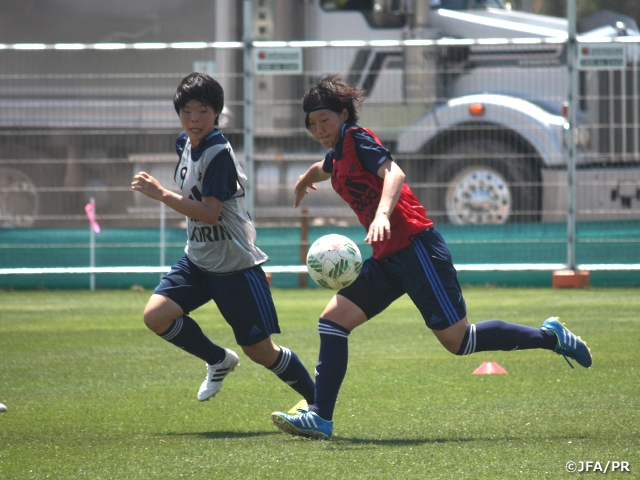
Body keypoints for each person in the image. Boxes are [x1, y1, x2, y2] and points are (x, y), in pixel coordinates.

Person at [270, 74, 592, 440]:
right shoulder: (337, 152)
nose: (318, 128)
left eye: (324, 120)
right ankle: (320, 418)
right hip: (387, 257)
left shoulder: (358, 140)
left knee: (460, 341)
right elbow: (324, 168)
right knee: (332, 321)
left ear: (344, 114)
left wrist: (381, 214)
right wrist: (303, 180)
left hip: (416, 247)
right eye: (311, 124)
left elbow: (394, 174)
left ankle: (551, 337)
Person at [132, 72, 315, 409]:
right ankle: (218, 359)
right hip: (198, 260)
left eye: (202, 111)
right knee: (156, 316)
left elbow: (209, 212)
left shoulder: (219, 155)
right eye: (187, 111)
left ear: (216, 112)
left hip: (235, 266)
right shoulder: (183, 143)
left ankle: (319, 403)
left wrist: (160, 194)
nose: (194, 119)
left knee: (260, 351)